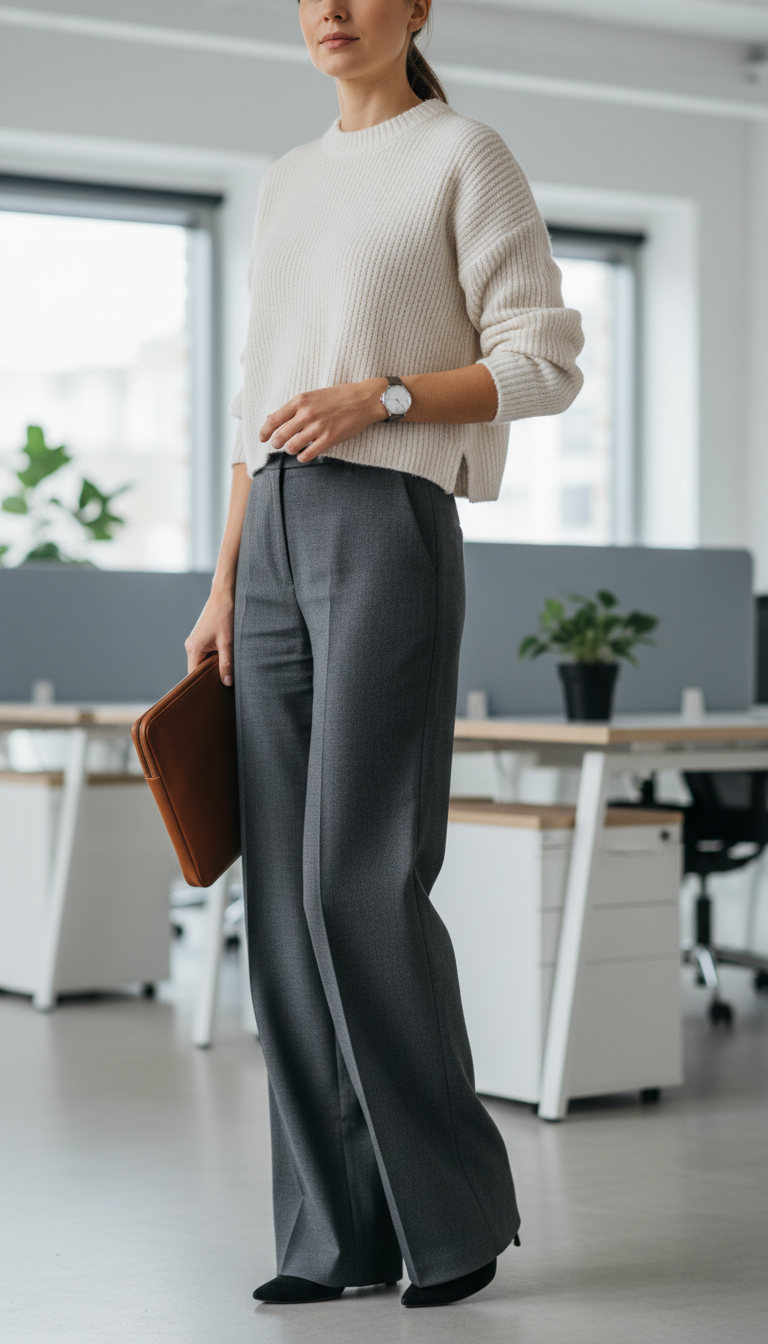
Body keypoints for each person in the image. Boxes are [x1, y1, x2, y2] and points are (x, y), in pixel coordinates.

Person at [185, 0, 584, 1310]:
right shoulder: (292, 182)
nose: (331, 11)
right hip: (275, 541)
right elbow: (259, 400)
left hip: (386, 517)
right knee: (282, 916)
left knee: (358, 883)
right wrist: (223, 579)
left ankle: (452, 1219)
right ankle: (331, 1236)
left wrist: (388, 394)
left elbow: (544, 362)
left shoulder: (463, 152)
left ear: (418, 9)